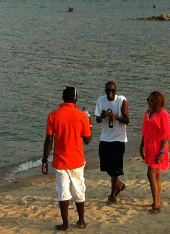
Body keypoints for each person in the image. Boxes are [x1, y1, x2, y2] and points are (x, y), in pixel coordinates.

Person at [42, 87, 92, 231]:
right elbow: (87, 140)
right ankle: (81, 221)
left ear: (63, 98)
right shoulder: (82, 116)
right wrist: (90, 125)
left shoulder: (53, 115)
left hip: (60, 161)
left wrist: (44, 160)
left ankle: (65, 224)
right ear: (75, 99)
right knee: (78, 189)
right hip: (77, 160)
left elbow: (49, 140)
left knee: (63, 191)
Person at [94, 82, 129, 204]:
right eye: (108, 91)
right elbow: (97, 119)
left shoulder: (122, 100)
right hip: (105, 138)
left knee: (115, 169)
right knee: (106, 166)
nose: (110, 93)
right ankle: (118, 184)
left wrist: (115, 117)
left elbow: (127, 120)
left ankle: (113, 194)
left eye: (112, 91)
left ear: (116, 91)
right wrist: (102, 116)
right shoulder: (101, 100)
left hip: (118, 139)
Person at [140, 91, 170, 213]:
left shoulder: (163, 114)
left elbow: (166, 135)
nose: (149, 102)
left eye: (151, 100)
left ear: (157, 102)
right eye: (148, 99)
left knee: (151, 174)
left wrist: (161, 152)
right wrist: (141, 145)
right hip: (149, 146)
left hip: (158, 147)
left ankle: (157, 206)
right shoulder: (148, 112)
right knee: (156, 174)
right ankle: (156, 202)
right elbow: (144, 130)